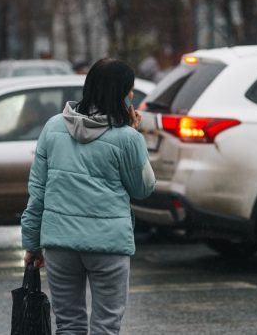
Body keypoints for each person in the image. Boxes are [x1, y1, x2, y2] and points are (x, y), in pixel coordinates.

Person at [21, 58, 156, 335]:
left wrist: (32, 244)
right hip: (108, 245)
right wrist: (133, 134)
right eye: (130, 90)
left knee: (68, 325)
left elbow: (37, 192)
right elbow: (143, 188)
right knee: (105, 327)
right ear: (120, 93)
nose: (132, 96)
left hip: (60, 244)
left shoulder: (53, 127)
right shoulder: (126, 138)